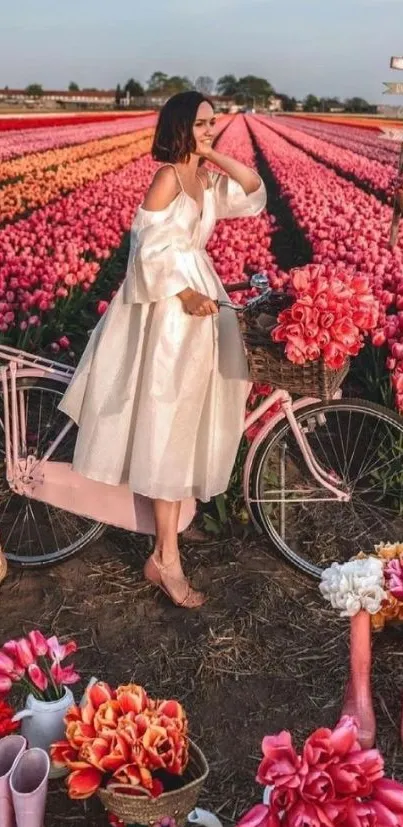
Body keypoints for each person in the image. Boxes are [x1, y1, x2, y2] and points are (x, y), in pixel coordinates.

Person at [58, 91, 266, 608]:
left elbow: (255, 190)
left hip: (202, 306)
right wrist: (182, 291)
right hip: (170, 314)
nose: (209, 129)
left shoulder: (207, 179)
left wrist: (212, 153)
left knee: (188, 420)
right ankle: (166, 558)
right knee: (169, 423)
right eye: (200, 124)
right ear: (178, 125)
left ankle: (169, 540)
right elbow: (144, 246)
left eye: (212, 123)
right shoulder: (169, 177)